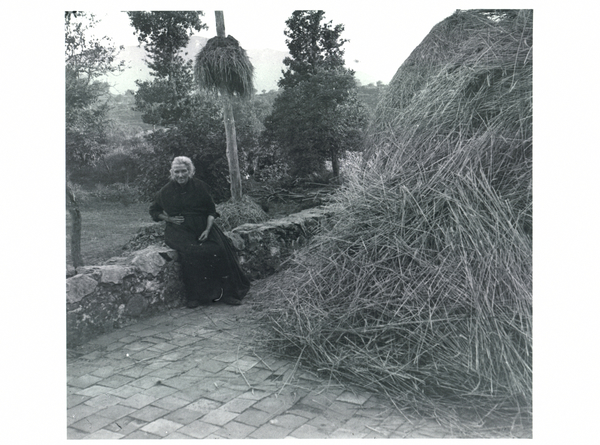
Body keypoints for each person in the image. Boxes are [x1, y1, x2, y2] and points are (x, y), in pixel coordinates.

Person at [149, 156, 250, 308]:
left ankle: (228, 293)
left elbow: (211, 211)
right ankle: (195, 296)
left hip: (204, 226)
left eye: (184, 171)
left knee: (219, 249)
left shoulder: (200, 186)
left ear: (190, 171)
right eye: (177, 172)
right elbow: (154, 211)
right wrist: (169, 219)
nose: (180, 175)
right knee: (191, 251)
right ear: (172, 172)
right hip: (179, 230)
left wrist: (208, 230)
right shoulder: (165, 191)